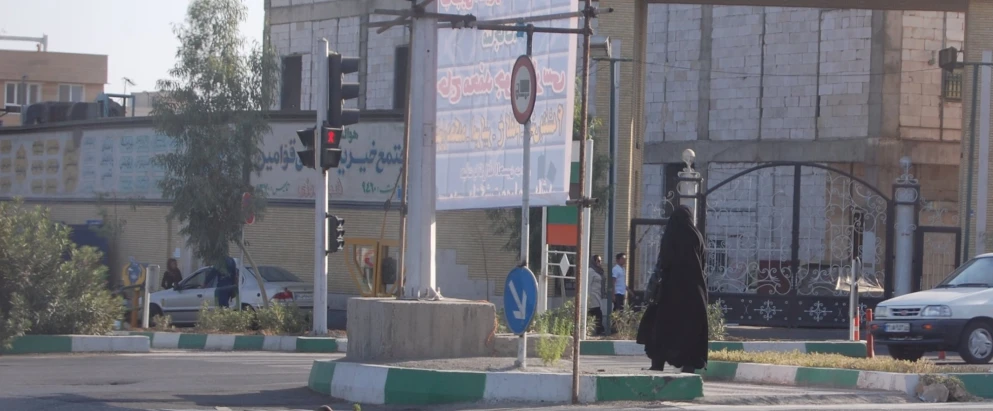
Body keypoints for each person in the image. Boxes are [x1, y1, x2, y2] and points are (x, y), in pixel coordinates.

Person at [636, 205, 709, 373]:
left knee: (662, 328)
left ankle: (657, 364)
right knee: (690, 330)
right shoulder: (697, 236)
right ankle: (689, 366)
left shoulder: (671, 235)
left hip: (670, 292)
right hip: (694, 292)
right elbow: (703, 264)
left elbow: (664, 262)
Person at [588, 255, 605, 336]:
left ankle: (596, 329)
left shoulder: (598, 271)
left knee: (594, 313)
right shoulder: (590, 271)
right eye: (598, 261)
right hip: (592, 296)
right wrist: (587, 297)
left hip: (597, 295)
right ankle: (599, 330)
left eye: (600, 261)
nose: (600, 262)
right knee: (597, 313)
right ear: (594, 261)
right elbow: (588, 284)